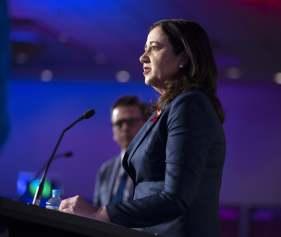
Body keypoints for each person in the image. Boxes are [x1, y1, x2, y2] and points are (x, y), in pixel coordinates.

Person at [59, 19, 226, 237]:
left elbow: (175, 198)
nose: (142, 57)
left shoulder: (189, 105)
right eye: (145, 48)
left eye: (155, 48)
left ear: (184, 57)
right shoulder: (168, 108)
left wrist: (100, 213)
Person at [93, 96, 148, 207]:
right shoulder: (105, 170)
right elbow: (96, 211)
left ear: (145, 123)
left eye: (131, 121)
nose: (125, 128)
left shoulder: (155, 165)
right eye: (119, 123)